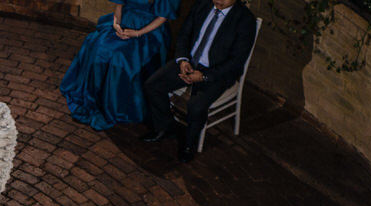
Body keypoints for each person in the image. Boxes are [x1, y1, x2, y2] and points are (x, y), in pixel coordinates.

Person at [140, 0, 257, 162]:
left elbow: (236, 61)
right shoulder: (202, 5)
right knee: (152, 85)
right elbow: (184, 34)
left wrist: (204, 76)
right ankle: (165, 127)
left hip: (216, 72)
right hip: (189, 62)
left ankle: (188, 145)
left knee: (196, 106)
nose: (219, 0)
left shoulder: (245, 20)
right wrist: (182, 60)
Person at [59, 0, 180, 132]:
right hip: (124, 20)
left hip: (149, 30)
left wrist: (137, 33)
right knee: (97, 47)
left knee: (119, 57)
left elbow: (162, 17)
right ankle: (94, 96)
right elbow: (119, 5)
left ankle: (113, 106)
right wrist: (116, 24)